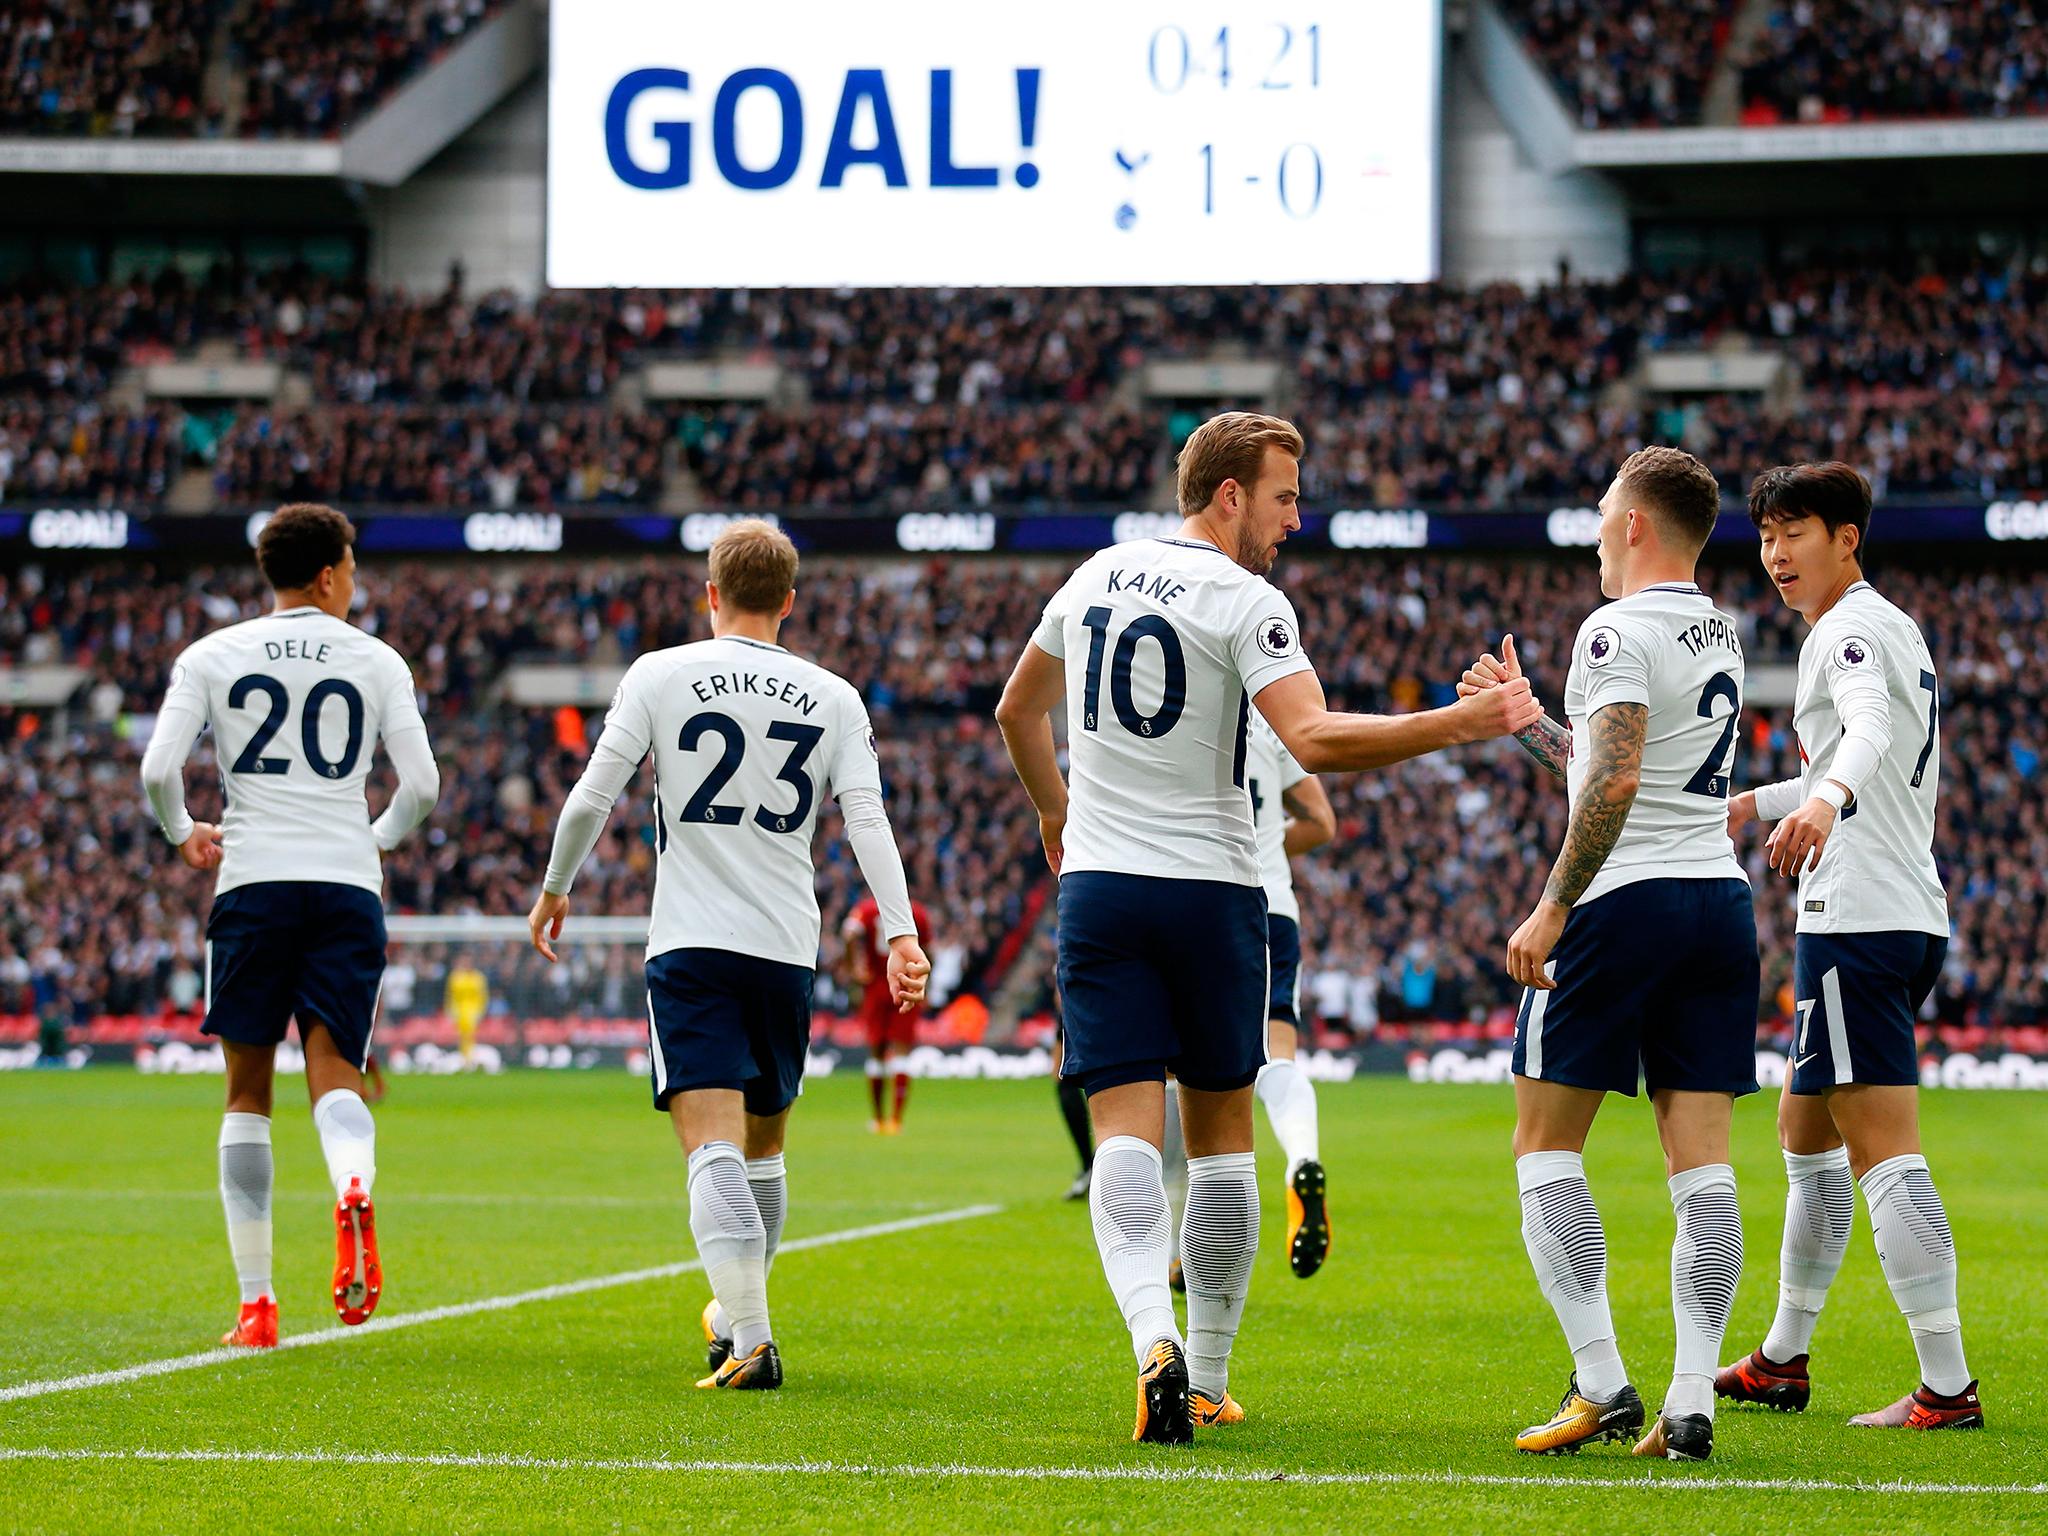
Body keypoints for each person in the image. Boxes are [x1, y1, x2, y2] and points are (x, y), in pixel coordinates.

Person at [995, 411, 1540, 1444]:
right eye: (1285, 496)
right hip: (1212, 892)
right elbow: (1317, 740)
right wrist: (1459, 722)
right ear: (1229, 494)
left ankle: (1149, 1338)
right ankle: (1202, 1376)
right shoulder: (1247, 600)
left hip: (1101, 889)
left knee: (1120, 1129)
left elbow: (1015, 713)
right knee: (1221, 1149)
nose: (1296, 517)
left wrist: (1052, 812)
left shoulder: (1092, 576)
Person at [528, 519, 930, 1392]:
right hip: (786, 947)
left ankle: (751, 1338)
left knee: (709, 1146)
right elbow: (868, 820)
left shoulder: (661, 673)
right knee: (765, 1152)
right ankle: (739, 1315)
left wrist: (557, 885)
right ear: (788, 601)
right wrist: (900, 930)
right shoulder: (832, 694)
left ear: (710, 594)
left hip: (693, 943)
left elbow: (593, 794)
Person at [1462, 446, 1756, 1462]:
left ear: (1634, 522)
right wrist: (1529, 720)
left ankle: (1598, 1383)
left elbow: (1617, 784)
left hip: (1621, 905)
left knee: (1541, 1145)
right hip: (1717, 906)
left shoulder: (1613, 628)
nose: (1592, 530)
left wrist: (1550, 905)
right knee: (1702, 1170)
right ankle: (1689, 1402)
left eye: (1599, 512)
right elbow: (1621, 766)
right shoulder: (1720, 630)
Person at [1715, 463, 1982, 1431]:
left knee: (1881, 1156)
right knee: (1803, 1133)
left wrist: (1821, 801)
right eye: (1764, 537)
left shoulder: (1845, 630)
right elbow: (1860, 757)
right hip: (1898, 910)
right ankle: (1781, 1358)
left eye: (1795, 532)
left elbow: (1863, 733)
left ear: (1846, 538)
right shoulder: (1893, 625)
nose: (1775, 554)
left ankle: (1945, 1386)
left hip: (1857, 922)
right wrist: (1766, 798)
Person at [139, 503, 440, 1348]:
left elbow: (159, 768)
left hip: (254, 882)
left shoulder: (209, 655)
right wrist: (369, 838)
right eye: (352, 567)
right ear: (327, 576)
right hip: (345, 887)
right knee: (336, 1072)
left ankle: (258, 1305)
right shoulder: (377, 660)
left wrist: (183, 830)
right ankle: (351, 1182)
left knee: (246, 1091)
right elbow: (421, 787)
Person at [1243, 713, 1337, 1278]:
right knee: (1279, 1053)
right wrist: (1268, 842)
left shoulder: (1181, 696)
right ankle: (1302, 1157)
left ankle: (1181, 1244)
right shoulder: (1268, 721)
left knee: (1184, 1076)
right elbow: (1321, 822)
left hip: (1208, 900)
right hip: (1275, 907)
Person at [843, 892, 933, 1133]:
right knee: (902, 1051)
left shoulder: (866, 908)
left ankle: (878, 1118)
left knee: (877, 1052)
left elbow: (849, 932)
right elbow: (928, 951)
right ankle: (896, 1119)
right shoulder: (918, 912)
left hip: (875, 985)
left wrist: (854, 968)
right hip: (906, 982)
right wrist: (927, 986)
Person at [444, 959, 488, 1070]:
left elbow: (483, 996)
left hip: (473, 1011)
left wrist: (480, 1011)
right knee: (460, 1036)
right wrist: (450, 1010)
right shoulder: (456, 976)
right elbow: (450, 995)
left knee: (471, 1036)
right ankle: (462, 1061)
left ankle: (470, 1061)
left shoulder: (478, 977)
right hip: (459, 1011)